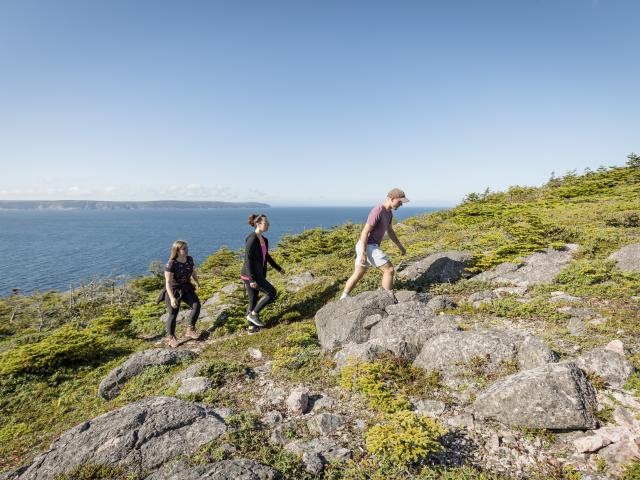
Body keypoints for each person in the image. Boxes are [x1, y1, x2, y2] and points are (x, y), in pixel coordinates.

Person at [341, 188, 409, 299]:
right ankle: (387, 299)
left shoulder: (389, 213)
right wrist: (363, 252)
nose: (401, 204)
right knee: (389, 270)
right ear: (392, 199)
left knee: (359, 273)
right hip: (368, 245)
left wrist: (400, 246)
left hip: (366, 246)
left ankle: (343, 297)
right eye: (400, 201)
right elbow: (365, 231)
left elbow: (390, 231)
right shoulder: (378, 210)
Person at [241, 213, 285, 330]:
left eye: (268, 223)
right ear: (258, 224)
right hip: (250, 275)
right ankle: (253, 315)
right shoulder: (251, 238)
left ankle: (251, 328)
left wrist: (278, 268)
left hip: (257, 274)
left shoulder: (264, 239)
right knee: (271, 293)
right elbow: (247, 259)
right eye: (266, 223)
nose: (268, 225)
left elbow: (266, 256)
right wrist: (251, 279)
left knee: (253, 300)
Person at [157, 240, 201, 348]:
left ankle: (190, 329)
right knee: (173, 313)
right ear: (177, 250)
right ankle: (171, 337)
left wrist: (197, 281)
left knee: (196, 306)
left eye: (187, 248)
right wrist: (172, 298)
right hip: (173, 290)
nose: (186, 250)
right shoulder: (171, 264)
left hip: (186, 287)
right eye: (184, 249)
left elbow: (192, 271)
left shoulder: (189, 259)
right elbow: (168, 282)